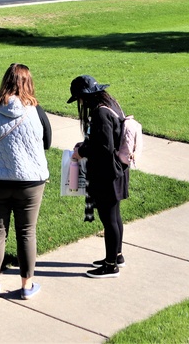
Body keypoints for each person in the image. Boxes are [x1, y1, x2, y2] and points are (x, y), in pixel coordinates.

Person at [0, 63, 52, 301]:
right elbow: (47, 142)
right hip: (30, 182)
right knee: (27, 232)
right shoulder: (36, 110)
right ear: (28, 83)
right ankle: (27, 286)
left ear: (5, 80)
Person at [69, 75, 129, 279]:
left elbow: (103, 148)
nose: (80, 103)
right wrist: (85, 146)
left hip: (107, 174)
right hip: (117, 171)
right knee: (115, 216)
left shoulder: (101, 113)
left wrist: (82, 151)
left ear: (85, 97)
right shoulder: (110, 105)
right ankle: (116, 255)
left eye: (79, 98)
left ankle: (111, 265)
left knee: (109, 218)